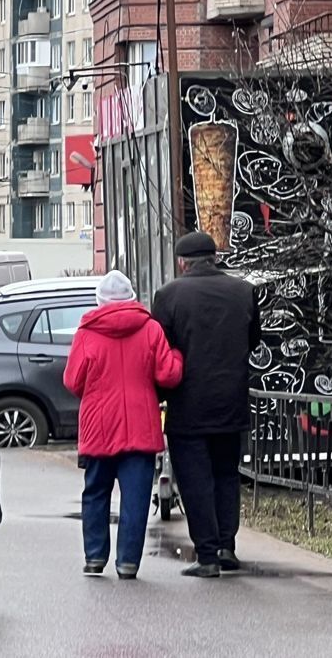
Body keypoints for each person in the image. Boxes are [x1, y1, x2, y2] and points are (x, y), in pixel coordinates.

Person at [152, 232, 262, 578]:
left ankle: (208, 553)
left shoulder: (168, 296)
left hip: (188, 405)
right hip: (232, 403)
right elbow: (253, 340)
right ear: (214, 258)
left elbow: (160, 349)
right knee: (226, 475)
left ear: (183, 263)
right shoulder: (243, 291)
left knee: (196, 479)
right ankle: (227, 546)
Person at [63, 270, 182, 580]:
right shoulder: (151, 330)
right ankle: (127, 562)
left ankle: (95, 557)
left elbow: (72, 380)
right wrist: (178, 357)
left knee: (95, 493)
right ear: (132, 298)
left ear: (100, 301)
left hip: (98, 426)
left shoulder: (87, 333)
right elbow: (168, 375)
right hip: (140, 425)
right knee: (136, 496)